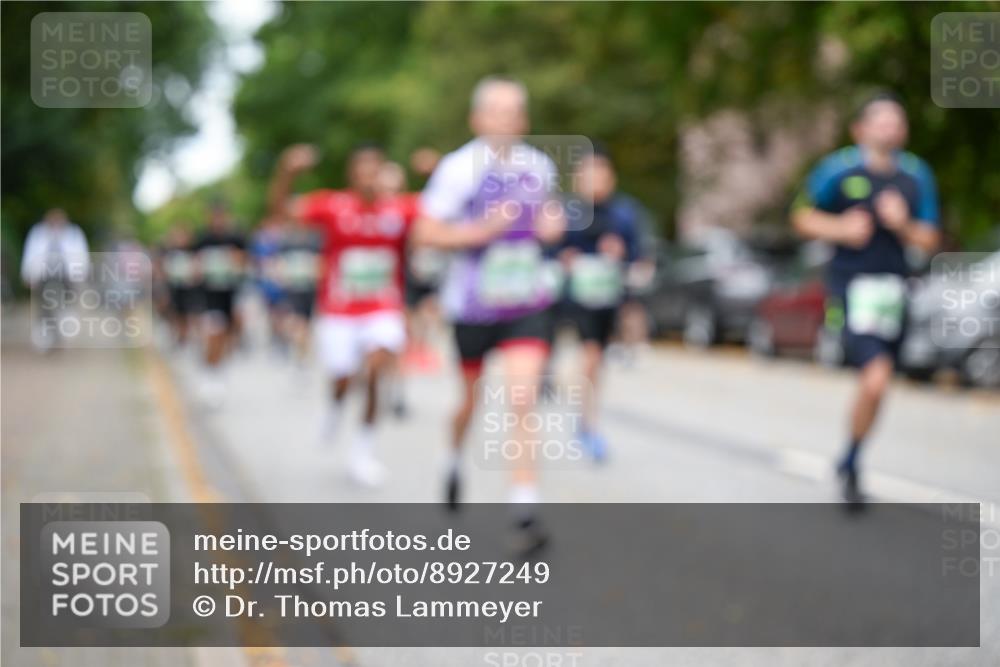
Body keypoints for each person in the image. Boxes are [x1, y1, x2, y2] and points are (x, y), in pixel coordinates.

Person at [413, 76, 565, 545]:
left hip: (525, 299)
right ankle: (453, 458)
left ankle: (524, 507)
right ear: (477, 118)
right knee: (470, 400)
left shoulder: (538, 166)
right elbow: (425, 232)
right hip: (473, 306)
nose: (506, 120)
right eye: (496, 110)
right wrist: (477, 232)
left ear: (524, 120)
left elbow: (550, 220)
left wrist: (552, 225)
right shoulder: (459, 169)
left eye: (514, 111)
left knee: (522, 398)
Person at [792, 93, 941, 505]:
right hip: (850, 288)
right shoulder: (837, 170)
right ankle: (853, 460)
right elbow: (801, 216)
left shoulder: (916, 176)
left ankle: (852, 458)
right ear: (861, 129)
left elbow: (930, 238)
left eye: (898, 121)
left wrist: (903, 224)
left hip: (894, 291)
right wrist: (840, 229)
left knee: (879, 384)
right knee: (874, 378)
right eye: (882, 121)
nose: (891, 128)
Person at [268, 143, 418, 487]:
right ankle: (334, 408)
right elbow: (281, 212)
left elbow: (442, 214)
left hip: (382, 308)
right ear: (352, 175)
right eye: (361, 171)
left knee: (378, 368)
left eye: (374, 171)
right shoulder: (333, 206)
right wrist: (287, 172)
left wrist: (434, 171)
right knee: (344, 378)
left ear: (382, 174)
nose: (368, 178)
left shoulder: (399, 209)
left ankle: (363, 452)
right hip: (339, 311)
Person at [555, 145, 646, 462]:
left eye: (601, 173)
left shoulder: (624, 213)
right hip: (565, 298)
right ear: (577, 178)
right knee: (578, 356)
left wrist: (622, 255)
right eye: (588, 173)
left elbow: (640, 257)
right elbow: (545, 248)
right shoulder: (564, 212)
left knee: (594, 358)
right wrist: (563, 258)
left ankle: (586, 421)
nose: (595, 180)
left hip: (604, 298)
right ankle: (569, 404)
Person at [192, 202, 247, 405]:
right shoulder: (202, 240)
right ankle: (209, 373)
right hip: (209, 296)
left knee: (224, 337)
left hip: (230, 295)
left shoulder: (236, 238)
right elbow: (193, 267)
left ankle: (216, 370)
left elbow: (246, 263)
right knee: (213, 334)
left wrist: (235, 259)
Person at [20, 208, 90, 351]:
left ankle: (61, 335)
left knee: (65, 306)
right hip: (43, 276)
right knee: (43, 307)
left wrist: (82, 274)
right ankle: (46, 339)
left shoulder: (74, 234)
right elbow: (30, 253)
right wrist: (27, 275)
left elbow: (82, 255)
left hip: (67, 276)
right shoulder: (38, 233)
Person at [160, 224, 199, 347]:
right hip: (175, 288)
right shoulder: (170, 252)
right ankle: (180, 337)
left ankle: (189, 338)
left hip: (190, 289)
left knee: (190, 314)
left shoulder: (193, 251)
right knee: (176, 314)